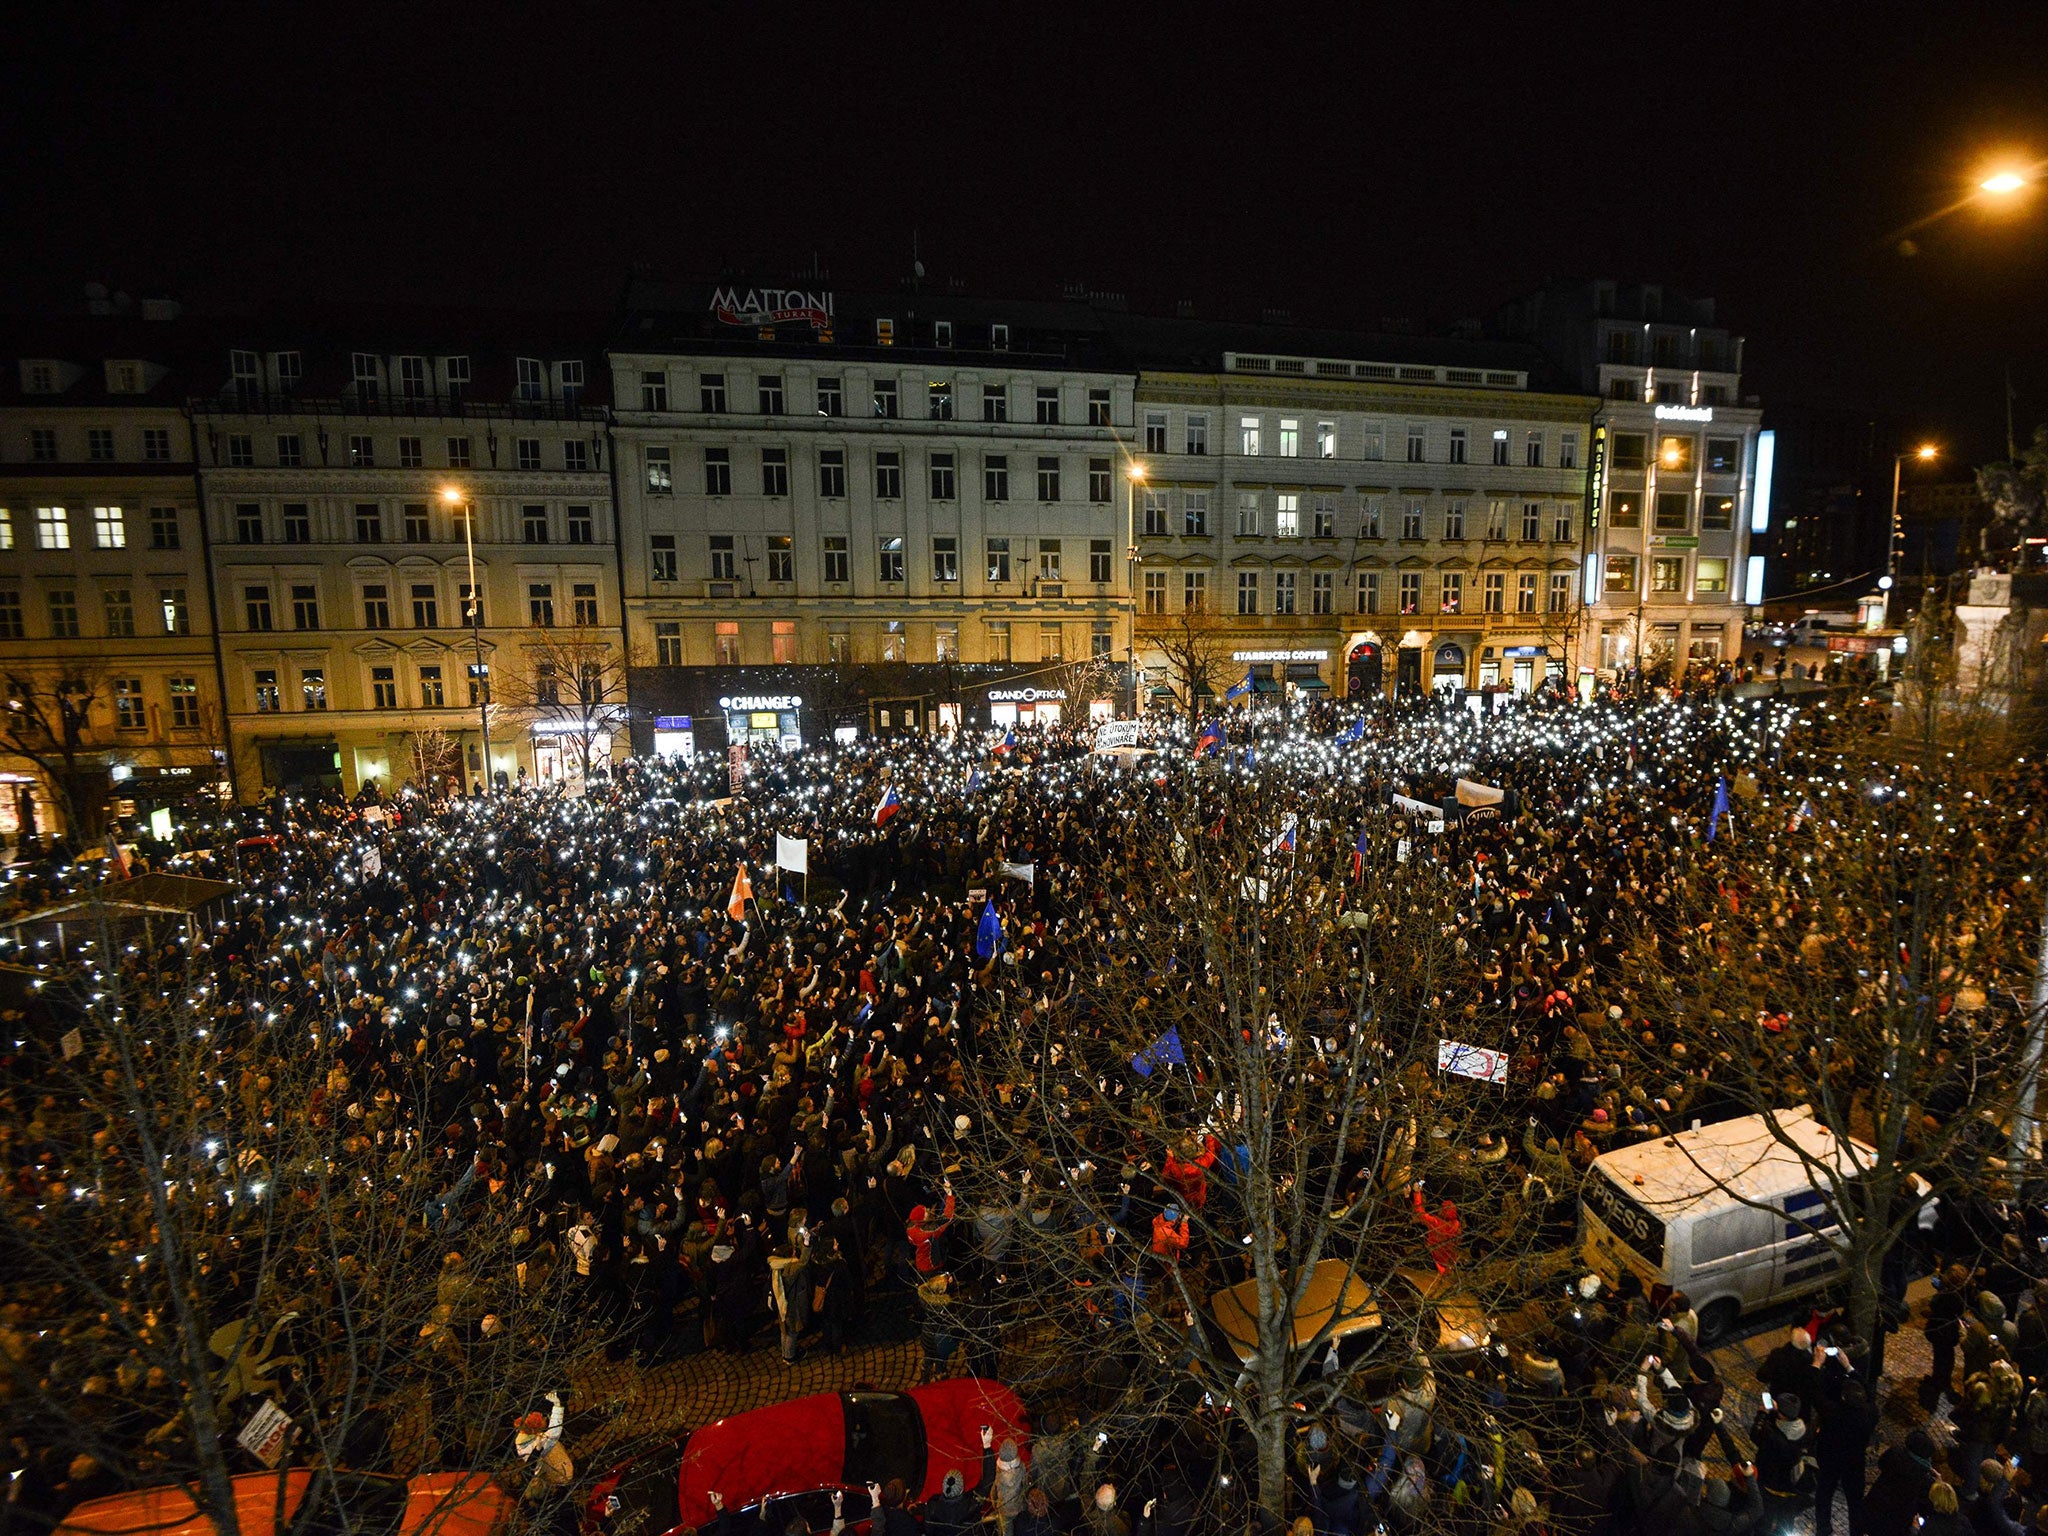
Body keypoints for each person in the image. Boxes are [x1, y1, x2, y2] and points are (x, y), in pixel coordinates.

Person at [1814, 1377, 1876, 1536]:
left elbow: (1815, 1394)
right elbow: (1871, 1394)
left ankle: (1823, 1530)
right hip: (1854, 1463)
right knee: (1855, 1503)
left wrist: (1816, 1366)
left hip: (1830, 1460)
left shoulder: (1832, 1412)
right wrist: (1851, 1370)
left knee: (1824, 1496)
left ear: (1843, 1397)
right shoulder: (1870, 1413)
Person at [922, 1426, 996, 1536]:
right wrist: (987, 1446)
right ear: (961, 1489)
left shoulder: (932, 1508)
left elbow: (929, 1530)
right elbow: (988, 1479)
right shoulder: (972, 1504)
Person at [1863, 1429, 1938, 1536]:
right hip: (1896, 1522)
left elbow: (1881, 1464)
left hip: (1875, 1504)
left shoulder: (1894, 1454)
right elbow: (1925, 1505)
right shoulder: (1924, 1479)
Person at [1927, 1265, 1972, 1409]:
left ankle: (1940, 1381)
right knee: (1946, 1356)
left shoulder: (1946, 1296)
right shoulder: (1963, 1292)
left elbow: (1934, 1305)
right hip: (1949, 1331)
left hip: (1941, 1331)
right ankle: (1942, 1380)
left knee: (1942, 1357)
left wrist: (1939, 1290)